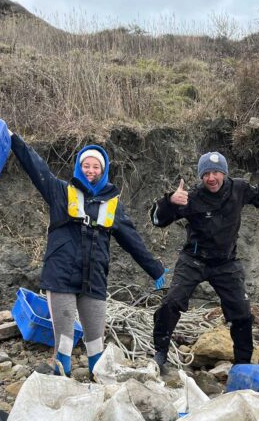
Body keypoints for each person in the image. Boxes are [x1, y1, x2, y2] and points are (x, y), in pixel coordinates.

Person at [10, 133, 166, 376]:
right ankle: (61, 386)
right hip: (61, 277)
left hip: (93, 280)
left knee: (95, 343)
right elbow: (35, 166)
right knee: (64, 341)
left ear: (103, 171)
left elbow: (133, 242)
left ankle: (98, 390)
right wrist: (12, 139)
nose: (91, 170)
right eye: (86, 165)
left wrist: (155, 269)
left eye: (96, 167)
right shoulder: (60, 192)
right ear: (79, 168)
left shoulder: (113, 204)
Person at [149, 151, 259, 371]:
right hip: (194, 260)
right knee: (171, 302)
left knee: (242, 313)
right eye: (206, 173)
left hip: (226, 263)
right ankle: (160, 353)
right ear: (201, 176)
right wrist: (169, 201)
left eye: (216, 172)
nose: (211, 178)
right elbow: (158, 219)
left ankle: (243, 365)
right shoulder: (192, 197)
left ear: (224, 173)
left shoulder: (239, 188)